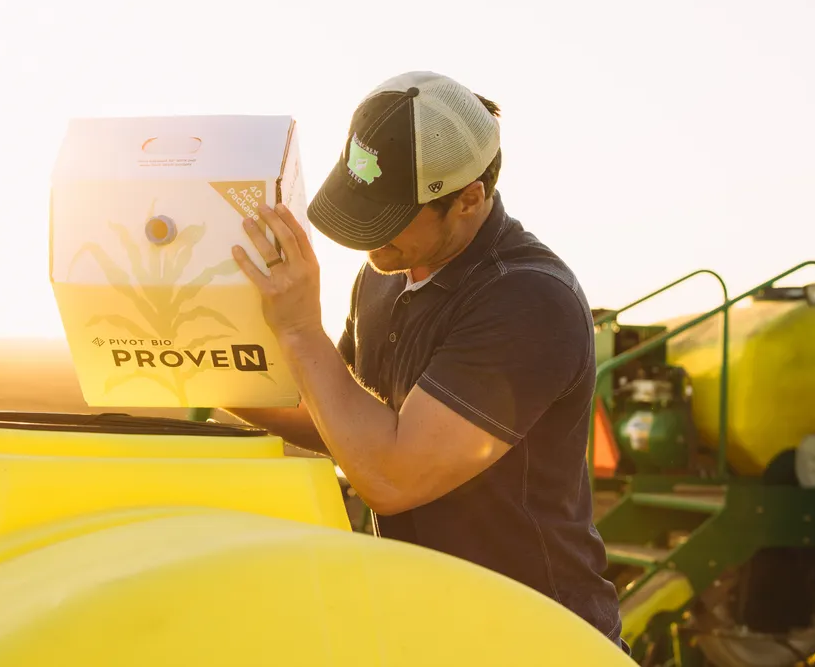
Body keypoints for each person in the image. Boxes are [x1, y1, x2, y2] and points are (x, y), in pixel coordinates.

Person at [224, 70, 627, 653]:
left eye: (386, 221)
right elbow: (335, 414)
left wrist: (298, 327)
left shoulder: (528, 301)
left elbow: (391, 474)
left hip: (534, 638)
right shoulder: (387, 275)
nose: (367, 244)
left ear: (469, 199)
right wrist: (199, 367)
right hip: (429, 626)